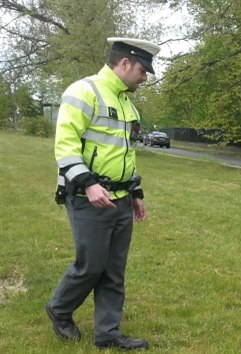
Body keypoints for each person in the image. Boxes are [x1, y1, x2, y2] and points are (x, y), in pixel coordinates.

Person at [46, 37, 159, 351]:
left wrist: (135, 191)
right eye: (142, 70)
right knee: (91, 265)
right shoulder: (83, 91)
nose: (145, 77)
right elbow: (65, 146)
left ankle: (108, 333)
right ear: (124, 63)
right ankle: (59, 309)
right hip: (88, 197)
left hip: (120, 199)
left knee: (113, 270)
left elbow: (125, 154)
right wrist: (88, 183)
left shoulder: (126, 102)